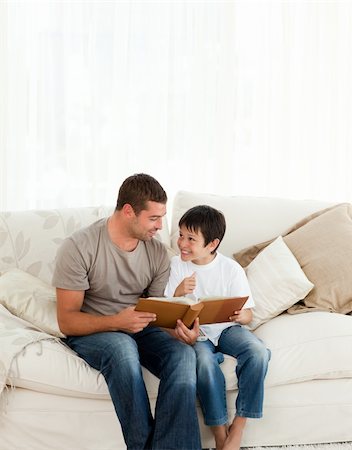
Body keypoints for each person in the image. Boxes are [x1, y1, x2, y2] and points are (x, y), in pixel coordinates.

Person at [52, 173, 202, 450]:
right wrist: (116, 321)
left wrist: (180, 331)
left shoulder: (157, 253)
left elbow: (158, 310)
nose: (160, 226)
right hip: (96, 329)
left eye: (163, 217)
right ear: (128, 211)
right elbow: (67, 320)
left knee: (182, 355)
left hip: (141, 325)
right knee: (122, 348)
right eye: (154, 218)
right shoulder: (79, 247)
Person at [165, 205, 270, 450]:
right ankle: (220, 434)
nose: (182, 243)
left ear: (212, 244)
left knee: (258, 352)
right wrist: (179, 292)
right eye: (181, 235)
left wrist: (241, 315)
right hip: (198, 335)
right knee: (203, 363)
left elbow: (248, 314)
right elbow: (168, 309)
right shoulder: (176, 265)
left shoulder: (230, 269)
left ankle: (238, 427)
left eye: (191, 239)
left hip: (226, 329)